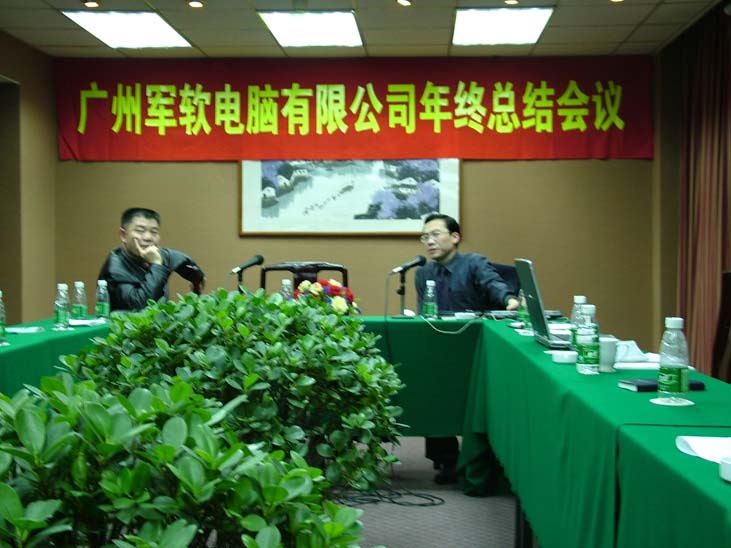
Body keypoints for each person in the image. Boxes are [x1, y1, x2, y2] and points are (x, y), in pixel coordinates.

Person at [415, 212, 519, 484]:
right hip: (440, 347)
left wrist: (509, 299)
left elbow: (495, 285)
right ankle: (447, 459)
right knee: (431, 381)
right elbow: (424, 315)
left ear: (455, 237)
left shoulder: (474, 263)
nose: (429, 241)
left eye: (435, 234)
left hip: (476, 347)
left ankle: (484, 459)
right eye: (425, 237)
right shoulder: (423, 273)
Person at [98, 207, 205, 312]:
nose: (148, 237)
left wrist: (197, 281)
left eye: (154, 232)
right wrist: (157, 265)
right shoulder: (114, 269)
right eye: (140, 231)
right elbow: (142, 306)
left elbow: (185, 262)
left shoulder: (157, 254)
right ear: (123, 235)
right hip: (128, 322)